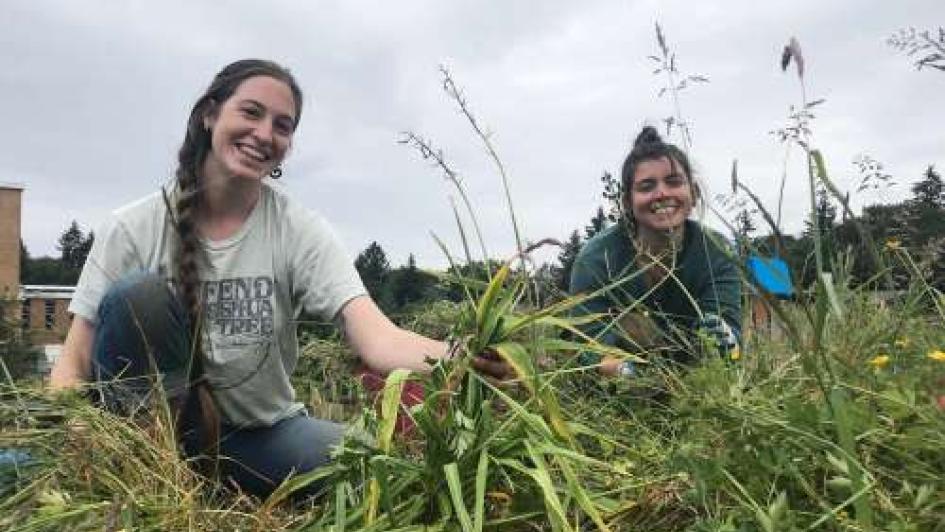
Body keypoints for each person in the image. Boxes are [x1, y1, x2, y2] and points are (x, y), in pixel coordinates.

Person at [49, 59, 505, 498]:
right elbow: (72, 363)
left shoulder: (298, 230)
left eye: (282, 125)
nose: (264, 133)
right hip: (146, 438)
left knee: (375, 466)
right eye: (251, 112)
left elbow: (377, 338)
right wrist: (79, 435)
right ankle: (151, 471)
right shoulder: (133, 227)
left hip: (258, 437)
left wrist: (460, 357)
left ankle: (211, 480)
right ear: (210, 115)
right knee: (139, 295)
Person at [569, 126, 742, 377]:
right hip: (616, 390)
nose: (662, 194)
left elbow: (733, 342)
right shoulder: (595, 259)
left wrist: (727, 342)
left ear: (693, 194)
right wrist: (625, 373)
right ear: (628, 202)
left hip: (696, 383)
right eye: (646, 186)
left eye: (674, 182)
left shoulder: (717, 251)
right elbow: (587, 345)